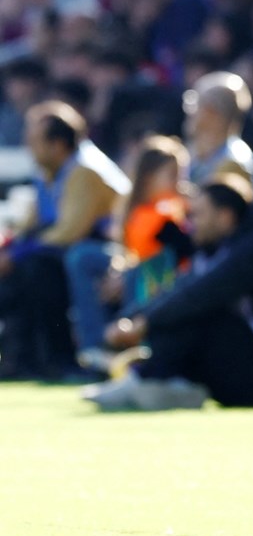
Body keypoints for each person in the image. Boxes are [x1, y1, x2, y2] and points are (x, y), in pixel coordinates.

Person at [83, 174, 253, 411]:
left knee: (194, 313)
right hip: (250, 368)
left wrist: (143, 324)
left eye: (199, 215)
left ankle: (147, 378)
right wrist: (131, 318)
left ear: (225, 216)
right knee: (177, 309)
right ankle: (172, 385)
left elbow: (204, 293)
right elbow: (177, 289)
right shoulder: (216, 251)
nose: (191, 224)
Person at [0, 100, 130, 380]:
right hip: (64, 251)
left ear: (58, 145)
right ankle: (21, 359)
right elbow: (32, 225)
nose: (29, 148)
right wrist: (8, 250)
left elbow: (71, 231)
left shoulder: (84, 170)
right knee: (19, 272)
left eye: (35, 141)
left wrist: (18, 254)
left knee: (40, 270)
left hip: (113, 253)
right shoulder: (47, 171)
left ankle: (67, 359)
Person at [68, 134, 192, 373]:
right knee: (83, 256)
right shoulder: (137, 210)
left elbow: (180, 254)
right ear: (148, 178)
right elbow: (131, 250)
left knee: (140, 274)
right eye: (172, 175)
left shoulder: (175, 212)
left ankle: (124, 344)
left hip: (162, 285)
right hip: (138, 277)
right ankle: (95, 346)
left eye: (181, 175)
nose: (179, 183)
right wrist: (119, 268)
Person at [184, 71, 253, 186]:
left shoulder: (235, 164)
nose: (189, 111)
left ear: (213, 114)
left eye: (196, 104)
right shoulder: (193, 153)